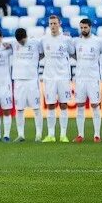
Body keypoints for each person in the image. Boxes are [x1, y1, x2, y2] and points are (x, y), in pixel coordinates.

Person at [40, 14, 74, 143]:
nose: (53, 26)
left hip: (63, 76)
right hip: (49, 77)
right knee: (50, 105)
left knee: (64, 104)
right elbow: (40, 54)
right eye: (51, 24)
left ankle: (63, 135)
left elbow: (72, 53)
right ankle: (51, 135)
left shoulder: (66, 39)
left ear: (59, 24)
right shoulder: (44, 40)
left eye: (55, 23)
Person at [72, 18, 102, 143]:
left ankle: (97, 135)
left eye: (85, 27)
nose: (83, 30)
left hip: (93, 79)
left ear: (90, 27)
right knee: (80, 105)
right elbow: (73, 54)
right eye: (81, 28)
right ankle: (80, 134)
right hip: (80, 79)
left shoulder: (98, 41)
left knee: (95, 105)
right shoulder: (77, 42)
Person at [11, 27, 44, 142]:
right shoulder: (13, 43)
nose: (20, 43)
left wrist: (34, 63)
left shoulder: (35, 43)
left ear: (26, 36)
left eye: (22, 41)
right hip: (18, 80)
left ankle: (39, 135)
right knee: (19, 109)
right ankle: (21, 135)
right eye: (18, 41)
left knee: (36, 108)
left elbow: (43, 53)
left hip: (32, 80)